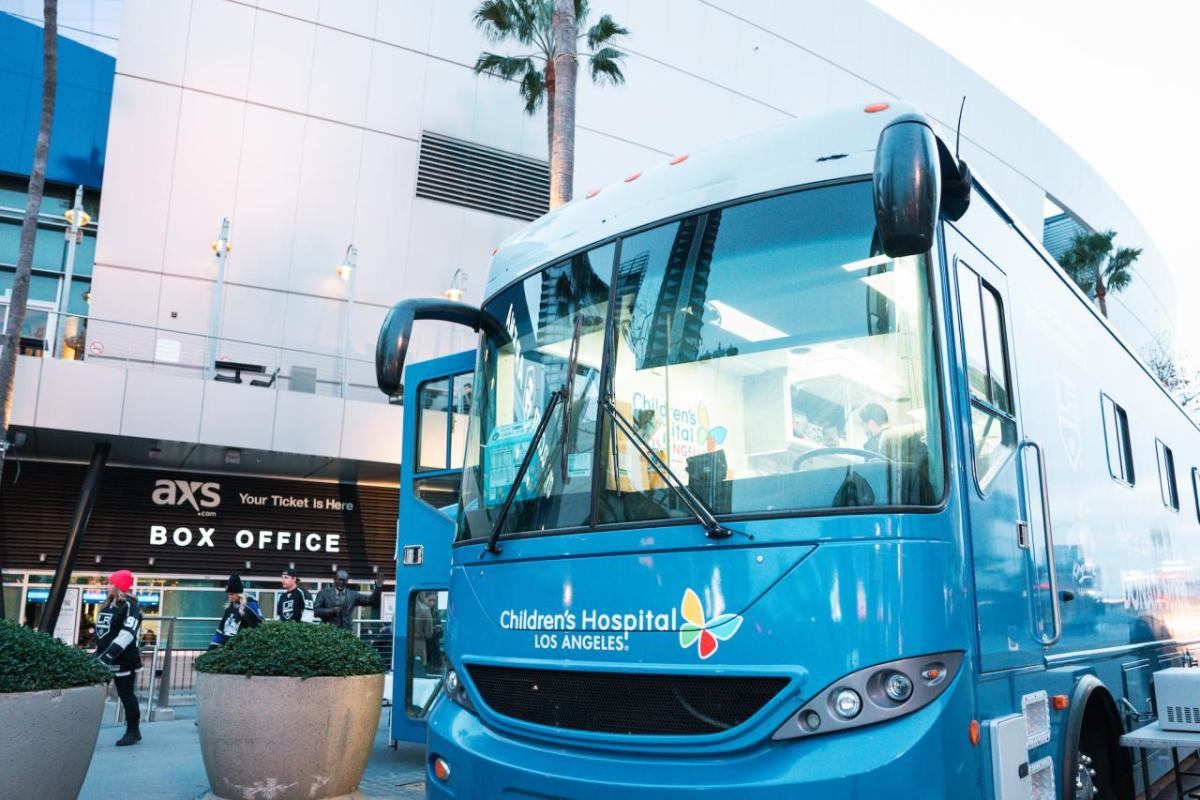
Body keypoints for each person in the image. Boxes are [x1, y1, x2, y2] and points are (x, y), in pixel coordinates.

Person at [94, 569, 143, 746]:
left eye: (110, 583)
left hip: (123, 660)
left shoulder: (131, 606)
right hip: (102, 658)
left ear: (118, 586)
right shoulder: (108, 605)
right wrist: (97, 654)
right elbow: (102, 634)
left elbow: (127, 634)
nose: (107, 586)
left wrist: (107, 656)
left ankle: (133, 731)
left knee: (126, 695)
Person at [314, 570, 382, 631]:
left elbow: (372, 602)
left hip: (346, 633)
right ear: (334, 579)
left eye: (344, 580)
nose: (341, 582)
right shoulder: (324, 593)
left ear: (347, 581)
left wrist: (378, 588)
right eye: (339, 580)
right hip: (328, 632)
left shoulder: (353, 595)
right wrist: (332, 610)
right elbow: (316, 611)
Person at [209, 574, 263, 648]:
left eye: (232, 594)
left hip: (240, 649)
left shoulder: (250, 606)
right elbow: (221, 630)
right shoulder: (229, 608)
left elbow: (259, 626)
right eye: (229, 594)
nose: (230, 596)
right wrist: (212, 646)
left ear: (239, 593)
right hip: (226, 648)